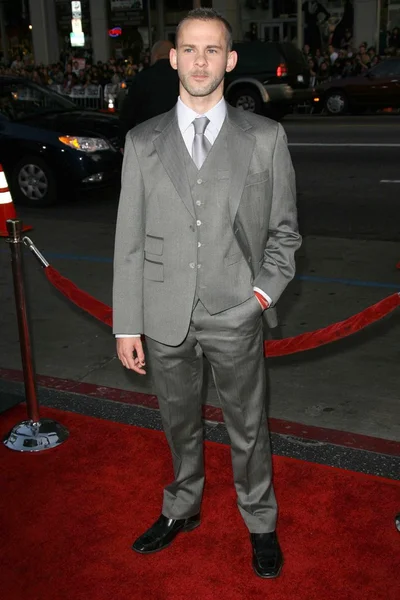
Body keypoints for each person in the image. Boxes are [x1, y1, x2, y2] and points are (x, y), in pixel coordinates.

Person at [113, 8, 301, 579]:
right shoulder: (142, 142)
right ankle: (182, 507)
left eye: (212, 50)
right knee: (178, 422)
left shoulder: (265, 138)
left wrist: (262, 298)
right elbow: (127, 239)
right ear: (173, 58)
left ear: (230, 59)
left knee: (249, 425)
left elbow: (285, 233)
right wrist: (127, 322)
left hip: (235, 311)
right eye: (189, 50)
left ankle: (260, 521)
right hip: (163, 313)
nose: (200, 61)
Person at [119, 39, 179, 136]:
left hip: (149, 136)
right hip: (178, 137)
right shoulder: (184, 76)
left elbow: (129, 111)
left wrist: (123, 137)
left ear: (155, 55)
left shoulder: (143, 78)